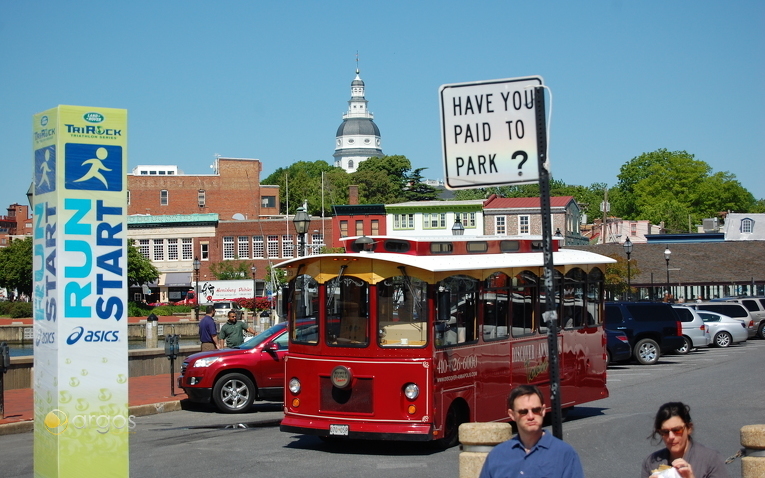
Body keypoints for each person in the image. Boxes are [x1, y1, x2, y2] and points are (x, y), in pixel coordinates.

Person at [479, 385, 584, 478]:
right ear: (512, 415)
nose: (530, 416)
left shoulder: (564, 454)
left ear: (543, 411)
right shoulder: (498, 455)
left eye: (536, 410)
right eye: (523, 412)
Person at [642, 402, 730, 478]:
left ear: (689, 428)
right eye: (665, 432)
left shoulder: (710, 459)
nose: (671, 436)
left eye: (677, 430)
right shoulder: (651, 462)